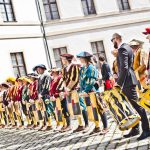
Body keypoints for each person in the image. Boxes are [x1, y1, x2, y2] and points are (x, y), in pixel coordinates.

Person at [111, 33, 150, 140]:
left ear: (116, 39)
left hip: (127, 81)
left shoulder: (122, 49)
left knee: (137, 106)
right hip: (129, 80)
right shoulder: (127, 47)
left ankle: (146, 130)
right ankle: (135, 129)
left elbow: (124, 67)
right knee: (131, 107)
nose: (112, 42)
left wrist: (119, 82)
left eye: (112, 40)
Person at [77, 51, 108, 135]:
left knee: (100, 109)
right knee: (92, 110)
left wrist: (85, 91)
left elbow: (91, 81)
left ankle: (105, 127)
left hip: (93, 91)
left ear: (85, 59)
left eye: (81, 58)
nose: (79, 59)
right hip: (87, 93)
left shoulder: (91, 67)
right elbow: (82, 81)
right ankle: (97, 127)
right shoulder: (84, 68)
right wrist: (82, 90)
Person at [60, 53, 89, 132]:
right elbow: (63, 80)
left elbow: (75, 79)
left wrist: (68, 89)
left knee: (81, 106)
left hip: (75, 89)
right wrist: (66, 89)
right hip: (69, 91)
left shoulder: (74, 66)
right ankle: (80, 124)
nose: (62, 60)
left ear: (66, 59)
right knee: (75, 107)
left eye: (63, 59)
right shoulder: (64, 69)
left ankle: (86, 124)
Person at [33, 64, 54, 131]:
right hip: (41, 96)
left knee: (49, 109)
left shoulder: (47, 76)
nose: (38, 70)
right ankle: (48, 124)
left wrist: (41, 94)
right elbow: (38, 88)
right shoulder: (40, 77)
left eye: (39, 69)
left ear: (43, 69)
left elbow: (47, 87)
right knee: (44, 110)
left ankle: (55, 123)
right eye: (37, 69)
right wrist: (39, 95)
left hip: (46, 95)